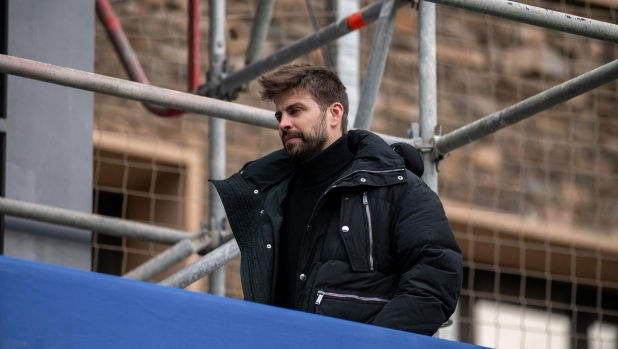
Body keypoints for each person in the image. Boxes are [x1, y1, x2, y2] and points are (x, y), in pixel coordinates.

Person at [211, 64, 463, 335]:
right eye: (279, 115)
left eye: (295, 110)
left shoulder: (399, 189)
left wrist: (373, 344)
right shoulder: (271, 199)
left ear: (334, 113)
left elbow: (435, 281)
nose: (283, 123)